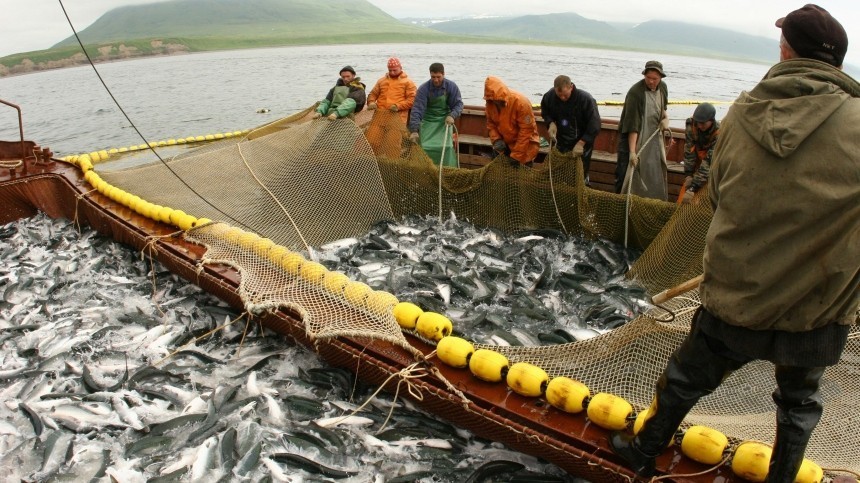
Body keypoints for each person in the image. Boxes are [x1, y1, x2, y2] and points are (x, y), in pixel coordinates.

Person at [610, 5, 858, 482]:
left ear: (786, 52)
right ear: (840, 64)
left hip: (737, 295)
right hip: (819, 307)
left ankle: (642, 450)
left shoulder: (743, 113)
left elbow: (719, 193)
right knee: (799, 403)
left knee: (685, 379)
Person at [615, 60, 671, 200]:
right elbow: (632, 125)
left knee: (653, 172)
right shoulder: (635, 93)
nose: (651, 82)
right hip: (632, 138)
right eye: (648, 78)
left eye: (655, 79)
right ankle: (621, 203)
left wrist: (665, 119)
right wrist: (632, 153)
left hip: (652, 137)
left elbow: (662, 109)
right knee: (626, 174)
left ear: (661, 78)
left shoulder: (663, 88)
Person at [540, 75, 601, 184]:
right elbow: (545, 112)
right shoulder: (549, 96)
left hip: (581, 143)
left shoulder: (586, 99)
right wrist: (550, 123)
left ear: (571, 87)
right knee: (558, 176)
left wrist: (582, 143)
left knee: (578, 177)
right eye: (559, 96)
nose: (562, 98)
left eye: (565, 95)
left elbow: (595, 124)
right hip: (560, 143)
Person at [408, 63, 464, 167]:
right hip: (427, 121)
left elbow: (458, 104)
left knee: (447, 147)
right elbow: (417, 110)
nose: (436, 80)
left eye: (438, 77)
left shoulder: (451, 86)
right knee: (424, 147)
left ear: (443, 74)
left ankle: (447, 171)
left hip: (445, 121)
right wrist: (414, 130)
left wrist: (452, 115)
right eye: (433, 77)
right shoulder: (423, 89)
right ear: (430, 75)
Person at [365, 57, 417, 158]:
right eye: (390, 70)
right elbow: (373, 94)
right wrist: (371, 102)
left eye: (395, 70)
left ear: (400, 68)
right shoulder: (381, 81)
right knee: (371, 141)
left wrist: (398, 106)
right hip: (379, 116)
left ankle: (393, 167)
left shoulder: (408, 82)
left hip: (397, 118)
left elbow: (412, 100)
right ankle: (374, 164)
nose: (392, 72)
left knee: (392, 145)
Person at [483, 76, 540, 167]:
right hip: (504, 146)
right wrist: (496, 140)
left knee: (523, 178)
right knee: (499, 176)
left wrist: (517, 156)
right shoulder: (489, 104)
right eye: (495, 100)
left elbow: (526, 132)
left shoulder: (522, 103)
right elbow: (491, 124)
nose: (498, 102)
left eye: (500, 100)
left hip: (525, 147)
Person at [678, 102, 719, 204]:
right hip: (696, 164)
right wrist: (688, 175)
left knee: (703, 200)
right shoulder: (691, 125)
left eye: (703, 123)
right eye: (698, 122)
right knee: (682, 198)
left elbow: (708, 163)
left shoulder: (719, 133)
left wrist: (693, 188)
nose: (700, 126)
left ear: (711, 120)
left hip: (711, 168)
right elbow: (689, 151)